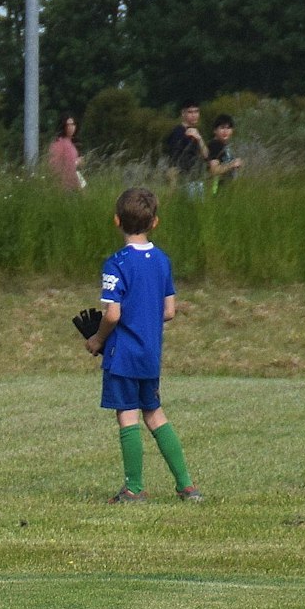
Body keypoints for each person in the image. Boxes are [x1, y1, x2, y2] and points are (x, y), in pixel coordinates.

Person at [83, 188, 200, 504]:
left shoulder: (116, 263)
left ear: (117, 220)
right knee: (155, 414)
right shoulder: (162, 260)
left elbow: (113, 314)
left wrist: (97, 339)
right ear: (155, 222)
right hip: (150, 353)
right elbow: (170, 311)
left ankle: (134, 488)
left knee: (127, 416)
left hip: (122, 355)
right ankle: (187, 485)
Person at [162, 101, 208, 194]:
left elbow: (206, 155)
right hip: (184, 179)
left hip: (196, 178)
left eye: (196, 112)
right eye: (190, 112)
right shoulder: (178, 132)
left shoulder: (196, 132)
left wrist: (199, 138)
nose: (194, 115)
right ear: (183, 113)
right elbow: (174, 159)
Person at [206, 114, 244, 193]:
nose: (225, 131)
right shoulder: (215, 145)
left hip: (226, 189)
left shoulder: (225, 146)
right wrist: (232, 165)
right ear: (215, 130)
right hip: (216, 190)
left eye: (228, 128)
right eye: (222, 128)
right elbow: (213, 170)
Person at [48, 115, 85, 190]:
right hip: (62, 183)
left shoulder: (73, 143)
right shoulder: (59, 143)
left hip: (74, 178)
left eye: (73, 124)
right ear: (63, 126)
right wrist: (77, 162)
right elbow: (55, 164)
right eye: (68, 125)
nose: (71, 127)